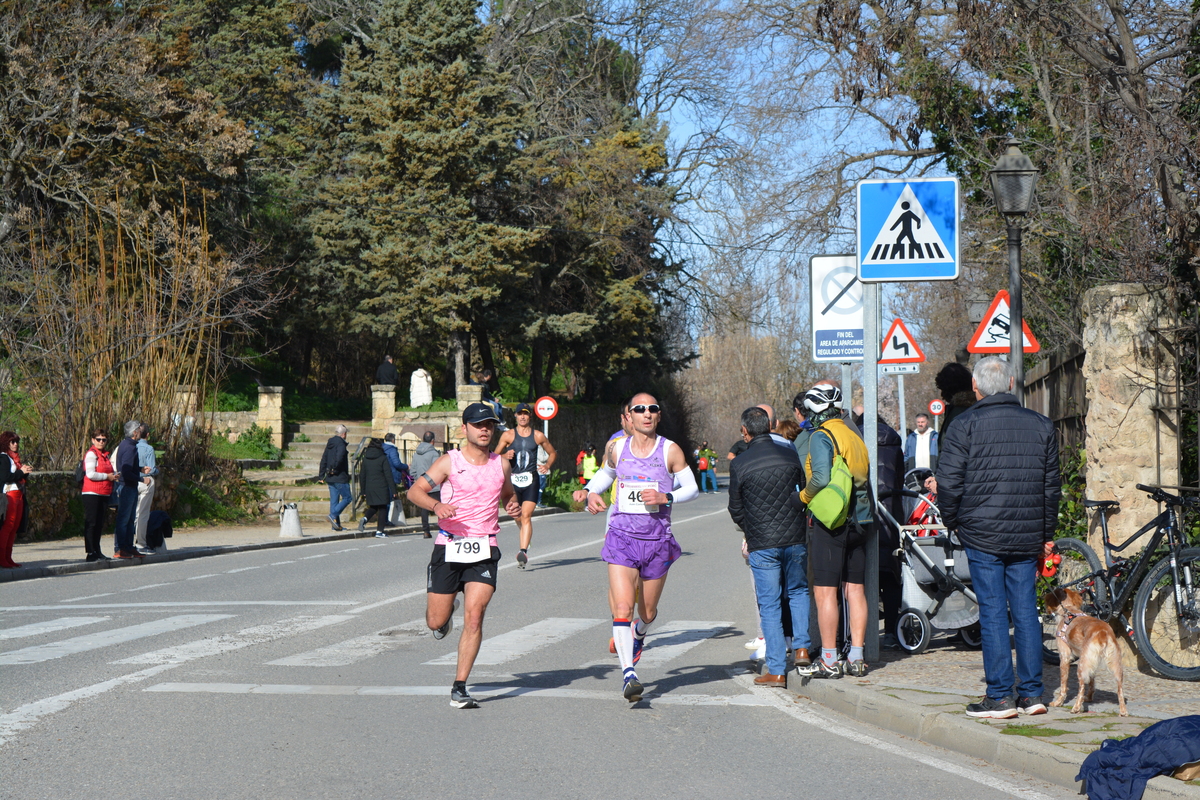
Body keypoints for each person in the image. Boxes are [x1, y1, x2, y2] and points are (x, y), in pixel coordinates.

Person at [935, 356, 1060, 719]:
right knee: (1025, 612)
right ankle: (1033, 694)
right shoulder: (1041, 425)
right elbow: (1051, 488)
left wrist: (952, 520)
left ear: (975, 388)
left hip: (981, 532)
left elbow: (950, 482)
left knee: (992, 612)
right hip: (1026, 533)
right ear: (1010, 385)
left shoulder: (964, 426)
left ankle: (1001, 697)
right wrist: (1045, 533)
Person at [574, 393, 700, 702]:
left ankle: (639, 635)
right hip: (621, 537)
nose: (646, 413)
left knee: (647, 611)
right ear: (629, 416)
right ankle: (629, 674)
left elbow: (693, 488)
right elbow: (607, 473)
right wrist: (589, 491)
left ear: (658, 416)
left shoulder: (669, 450)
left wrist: (665, 497)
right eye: (639, 409)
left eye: (652, 409)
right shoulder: (618, 448)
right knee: (622, 607)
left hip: (656, 541)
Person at [406, 402, 521, 709]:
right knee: (435, 621)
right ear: (465, 429)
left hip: (484, 547)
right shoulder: (448, 462)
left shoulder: (501, 464)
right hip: (449, 545)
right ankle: (445, 616)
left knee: (475, 616)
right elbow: (414, 491)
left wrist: (512, 504)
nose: (485, 429)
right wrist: (436, 506)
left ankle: (460, 686)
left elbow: (508, 494)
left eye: (489, 425)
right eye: (478, 424)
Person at [793, 384, 873, 679]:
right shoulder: (853, 433)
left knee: (825, 592)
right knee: (855, 590)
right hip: (861, 521)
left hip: (832, 521)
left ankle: (828, 659)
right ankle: (857, 657)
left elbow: (821, 478)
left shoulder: (821, 436)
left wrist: (802, 497)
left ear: (814, 410)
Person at [728, 407, 812, 685]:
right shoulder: (790, 454)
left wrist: (751, 529)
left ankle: (776, 669)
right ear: (771, 426)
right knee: (799, 591)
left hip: (762, 541)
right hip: (795, 536)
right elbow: (802, 492)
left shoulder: (740, 463)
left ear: (745, 431)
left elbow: (735, 508)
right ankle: (802, 647)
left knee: (770, 603)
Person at [854, 405, 906, 649]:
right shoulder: (895, 441)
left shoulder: (853, 438)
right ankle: (892, 632)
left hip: (863, 511)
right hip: (891, 512)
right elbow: (899, 479)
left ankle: (862, 635)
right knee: (891, 574)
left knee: (859, 577)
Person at [495, 402, 556, 569]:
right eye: (519, 414)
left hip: (531, 480)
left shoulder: (538, 436)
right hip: (513, 481)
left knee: (526, 515)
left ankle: (523, 551)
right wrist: (504, 455)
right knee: (517, 515)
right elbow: (493, 456)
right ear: (515, 416)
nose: (522, 416)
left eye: (526, 414)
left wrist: (547, 466)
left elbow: (552, 452)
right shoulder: (507, 435)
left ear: (530, 416)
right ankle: (525, 535)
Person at [81, 429, 117, 562]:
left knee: (99, 523)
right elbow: (90, 474)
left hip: (104, 492)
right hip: (91, 492)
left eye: (104, 439)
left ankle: (97, 550)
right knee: (91, 523)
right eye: (98, 439)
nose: (101, 442)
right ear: (93, 440)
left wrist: (113, 476)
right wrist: (107, 476)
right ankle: (90, 552)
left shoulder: (105, 456)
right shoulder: (91, 454)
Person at [112, 420, 146, 559]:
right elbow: (125, 471)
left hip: (129, 486)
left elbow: (128, 467)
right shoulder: (129, 447)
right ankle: (120, 548)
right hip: (126, 487)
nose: (140, 432)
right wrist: (142, 478)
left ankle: (128, 546)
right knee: (124, 519)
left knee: (130, 519)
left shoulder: (127, 445)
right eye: (139, 429)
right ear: (134, 432)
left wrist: (139, 469)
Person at [0, 431, 33, 568]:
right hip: (10, 494)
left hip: (18, 493)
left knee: (14, 527)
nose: (15, 444)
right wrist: (21, 472)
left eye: (17, 442)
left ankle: (8, 557)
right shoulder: (3, 457)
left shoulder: (14, 458)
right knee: (8, 526)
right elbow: (5, 477)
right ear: (5, 443)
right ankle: (2, 558)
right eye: (12, 442)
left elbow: (17, 477)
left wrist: (24, 473)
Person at [356, 437, 397, 537]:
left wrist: (363, 490)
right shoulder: (383, 457)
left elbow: (362, 475)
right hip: (381, 486)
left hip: (369, 486)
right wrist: (394, 489)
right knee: (382, 508)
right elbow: (388, 475)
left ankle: (365, 519)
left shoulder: (365, 458)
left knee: (374, 506)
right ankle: (380, 531)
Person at [318, 424, 351, 531]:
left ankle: (335, 526)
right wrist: (334, 470)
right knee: (348, 498)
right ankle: (333, 516)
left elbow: (324, 458)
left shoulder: (330, 443)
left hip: (330, 478)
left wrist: (321, 475)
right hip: (339, 477)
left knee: (334, 501)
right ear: (344, 434)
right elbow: (340, 458)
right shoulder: (341, 444)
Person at [134, 424, 161, 555]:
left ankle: (126, 542)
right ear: (148, 435)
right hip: (146, 481)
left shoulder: (130, 446)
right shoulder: (148, 449)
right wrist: (157, 470)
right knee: (142, 513)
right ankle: (140, 542)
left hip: (132, 481)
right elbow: (151, 468)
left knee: (131, 513)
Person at [409, 431, 441, 538]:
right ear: (432, 441)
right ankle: (443, 529)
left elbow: (412, 471)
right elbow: (439, 469)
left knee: (424, 509)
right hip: (435, 485)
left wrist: (418, 479)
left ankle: (426, 531)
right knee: (440, 507)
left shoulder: (416, 453)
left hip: (421, 485)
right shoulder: (434, 454)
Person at [935, 361, 976, 434]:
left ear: (949, 389)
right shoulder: (978, 407)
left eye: (943, 389)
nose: (942, 395)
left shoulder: (958, 413)